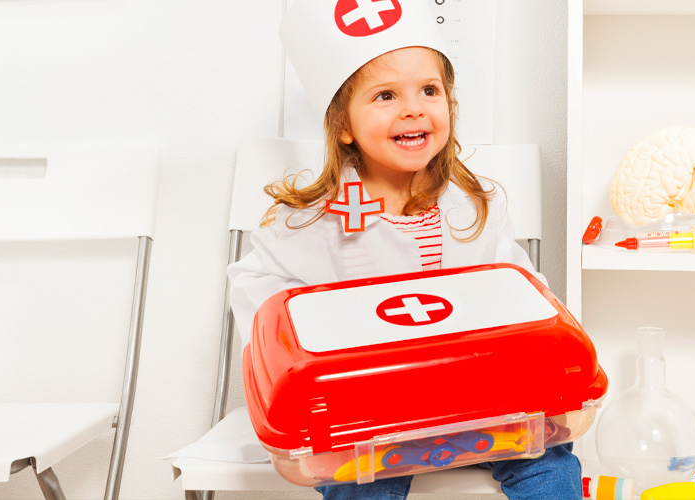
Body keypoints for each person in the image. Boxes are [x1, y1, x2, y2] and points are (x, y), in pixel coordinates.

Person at [228, 1, 581, 499]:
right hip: (368, 418)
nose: (413, 108)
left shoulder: (474, 207)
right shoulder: (314, 223)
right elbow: (262, 300)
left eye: (429, 90)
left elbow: (522, 289)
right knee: (360, 485)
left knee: (551, 461)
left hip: (477, 402)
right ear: (343, 125)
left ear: (449, 106)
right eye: (386, 95)